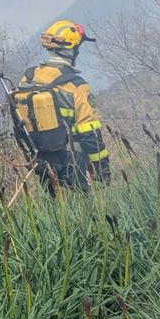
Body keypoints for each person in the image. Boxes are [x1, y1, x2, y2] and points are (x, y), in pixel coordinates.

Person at [14, 19, 110, 194]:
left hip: (41, 160)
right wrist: (103, 172)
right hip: (72, 161)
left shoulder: (29, 77)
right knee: (82, 204)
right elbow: (90, 134)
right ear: (71, 50)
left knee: (56, 205)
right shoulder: (76, 86)